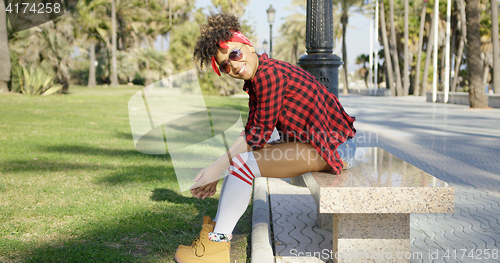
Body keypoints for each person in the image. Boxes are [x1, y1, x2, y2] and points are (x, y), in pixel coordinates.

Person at [174, 13, 356, 263]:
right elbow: (252, 129)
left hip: (329, 148)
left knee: (243, 164)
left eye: (234, 54)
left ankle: (216, 247)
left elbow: (258, 134)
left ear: (248, 46)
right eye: (225, 65)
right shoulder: (258, 77)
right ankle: (216, 235)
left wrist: (216, 168)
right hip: (315, 144)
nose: (233, 66)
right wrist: (218, 169)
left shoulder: (269, 75)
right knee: (241, 162)